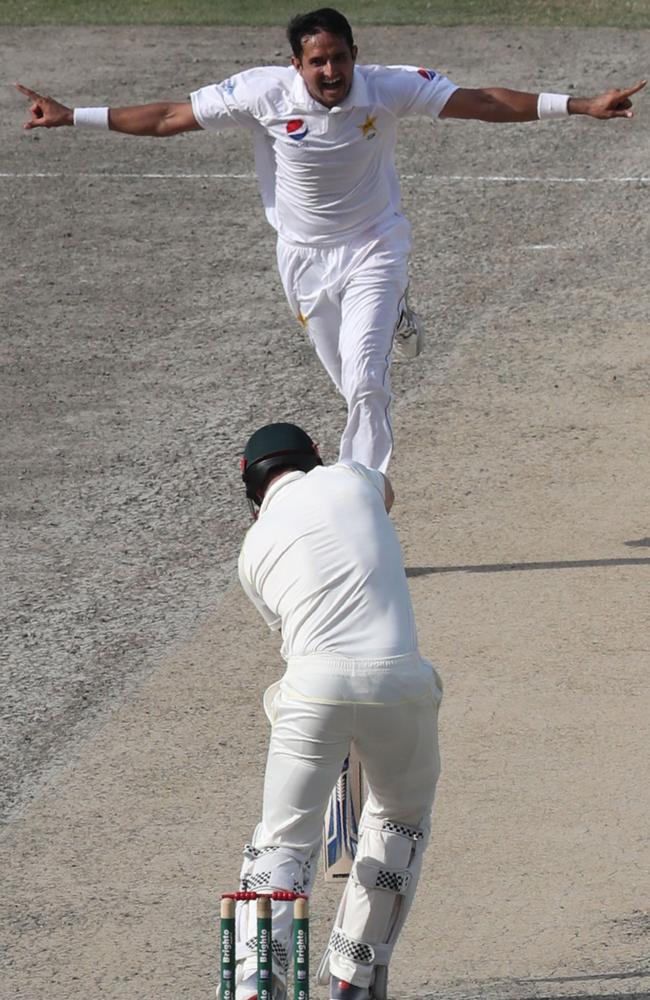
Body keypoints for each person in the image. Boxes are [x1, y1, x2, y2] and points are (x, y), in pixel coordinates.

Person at [16, 9, 645, 471]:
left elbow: (480, 101)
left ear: (353, 55)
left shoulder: (389, 84)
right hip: (304, 259)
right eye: (317, 61)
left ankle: (362, 501)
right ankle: (392, 330)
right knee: (350, 384)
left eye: (339, 57)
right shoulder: (261, 92)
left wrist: (581, 104)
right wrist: (72, 114)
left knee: (370, 380)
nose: (331, 70)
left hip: (376, 245)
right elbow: (166, 118)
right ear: (297, 64)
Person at [235, 420, 443, 1000]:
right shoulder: (351, 478)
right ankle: (354, 973)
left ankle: (255, 982)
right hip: (398, 684)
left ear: (253, 494)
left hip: (311, 693)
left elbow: (292, 627)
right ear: (314, 458)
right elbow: (387, 493)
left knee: (282, 842)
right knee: (398, 818)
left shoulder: (253, 551)